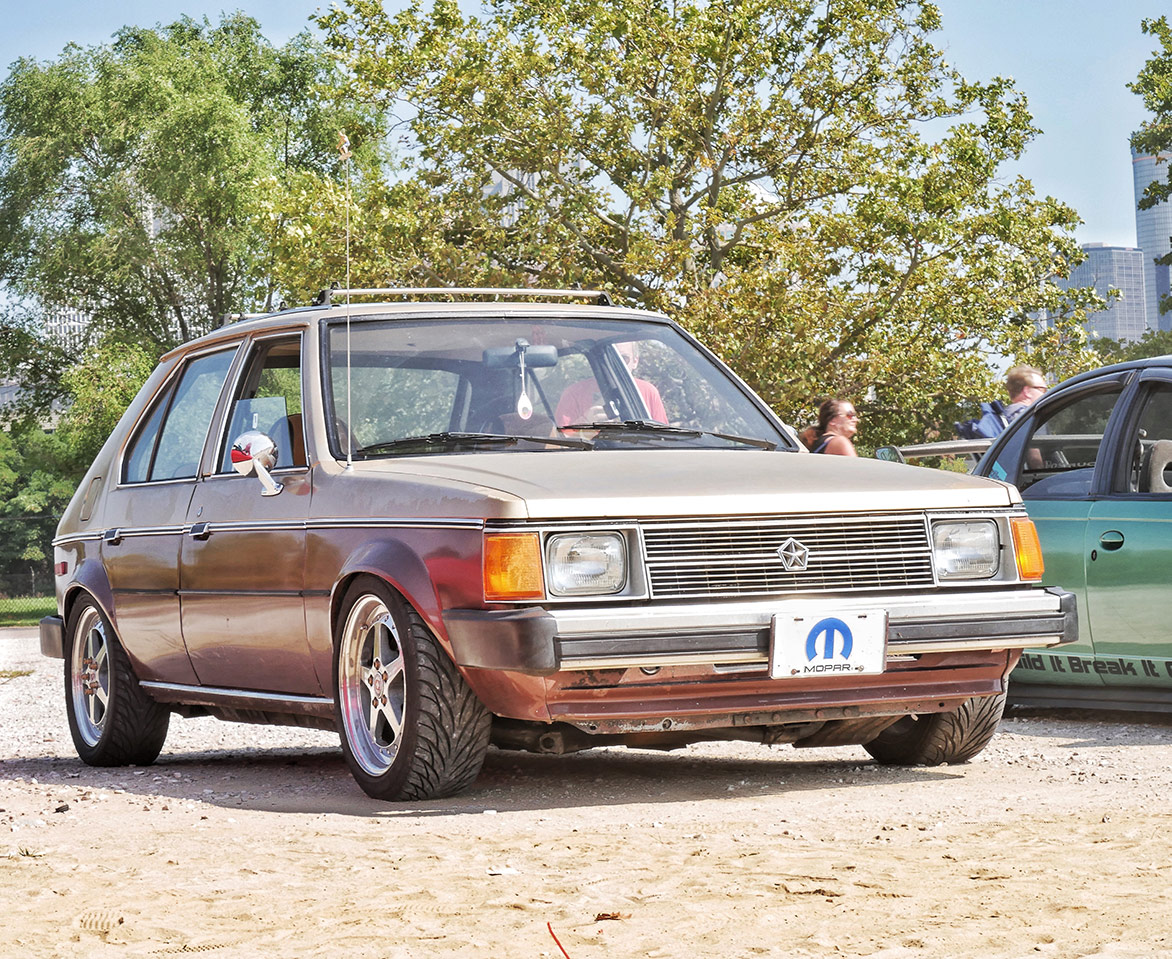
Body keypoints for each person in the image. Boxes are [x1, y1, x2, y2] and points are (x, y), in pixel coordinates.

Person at [555, 341, 667, 426]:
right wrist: (586, 422)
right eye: (607, 358)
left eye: (624, 358)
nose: (615, 365)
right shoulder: (574, 393)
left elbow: (662, 438)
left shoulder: (647, 391)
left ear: (635, 362)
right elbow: (559, 444)